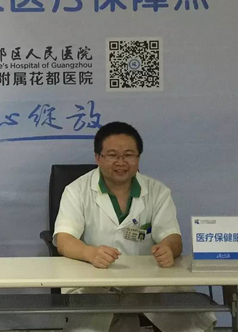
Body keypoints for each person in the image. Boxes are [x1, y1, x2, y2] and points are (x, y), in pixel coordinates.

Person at [54, 121, 216, 332]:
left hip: (146, 279)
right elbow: (64, 239)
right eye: (112, 155)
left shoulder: (157, 191)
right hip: (92, 279)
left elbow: (172, 237)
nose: (121, 162)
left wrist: (168, 249)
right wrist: (90, 253)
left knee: (188, 318)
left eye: (129, 155)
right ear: (97, 157)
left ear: (138, 158)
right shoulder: (76, 190)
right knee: (89, 328)